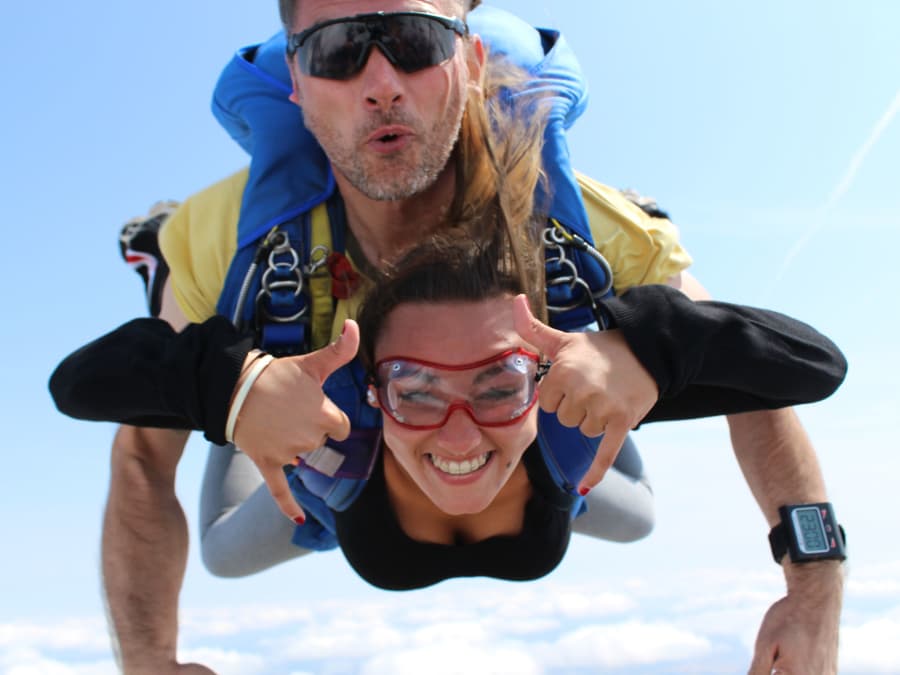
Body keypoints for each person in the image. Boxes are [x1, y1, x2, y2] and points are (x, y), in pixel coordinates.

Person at [59, 1, 846, 673]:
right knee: (229, 544)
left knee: (631, 503)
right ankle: (233, 350)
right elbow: (139, 453)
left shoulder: (593, 237)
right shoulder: (231, 245)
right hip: (325, 434)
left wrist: (651, 343)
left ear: (470, 59)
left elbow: (756, 375)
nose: (381, 87)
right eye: (337, 52)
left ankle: (566, 361)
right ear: (294, 84)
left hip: (520, 428)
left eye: (413, 43)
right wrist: (231, 383)